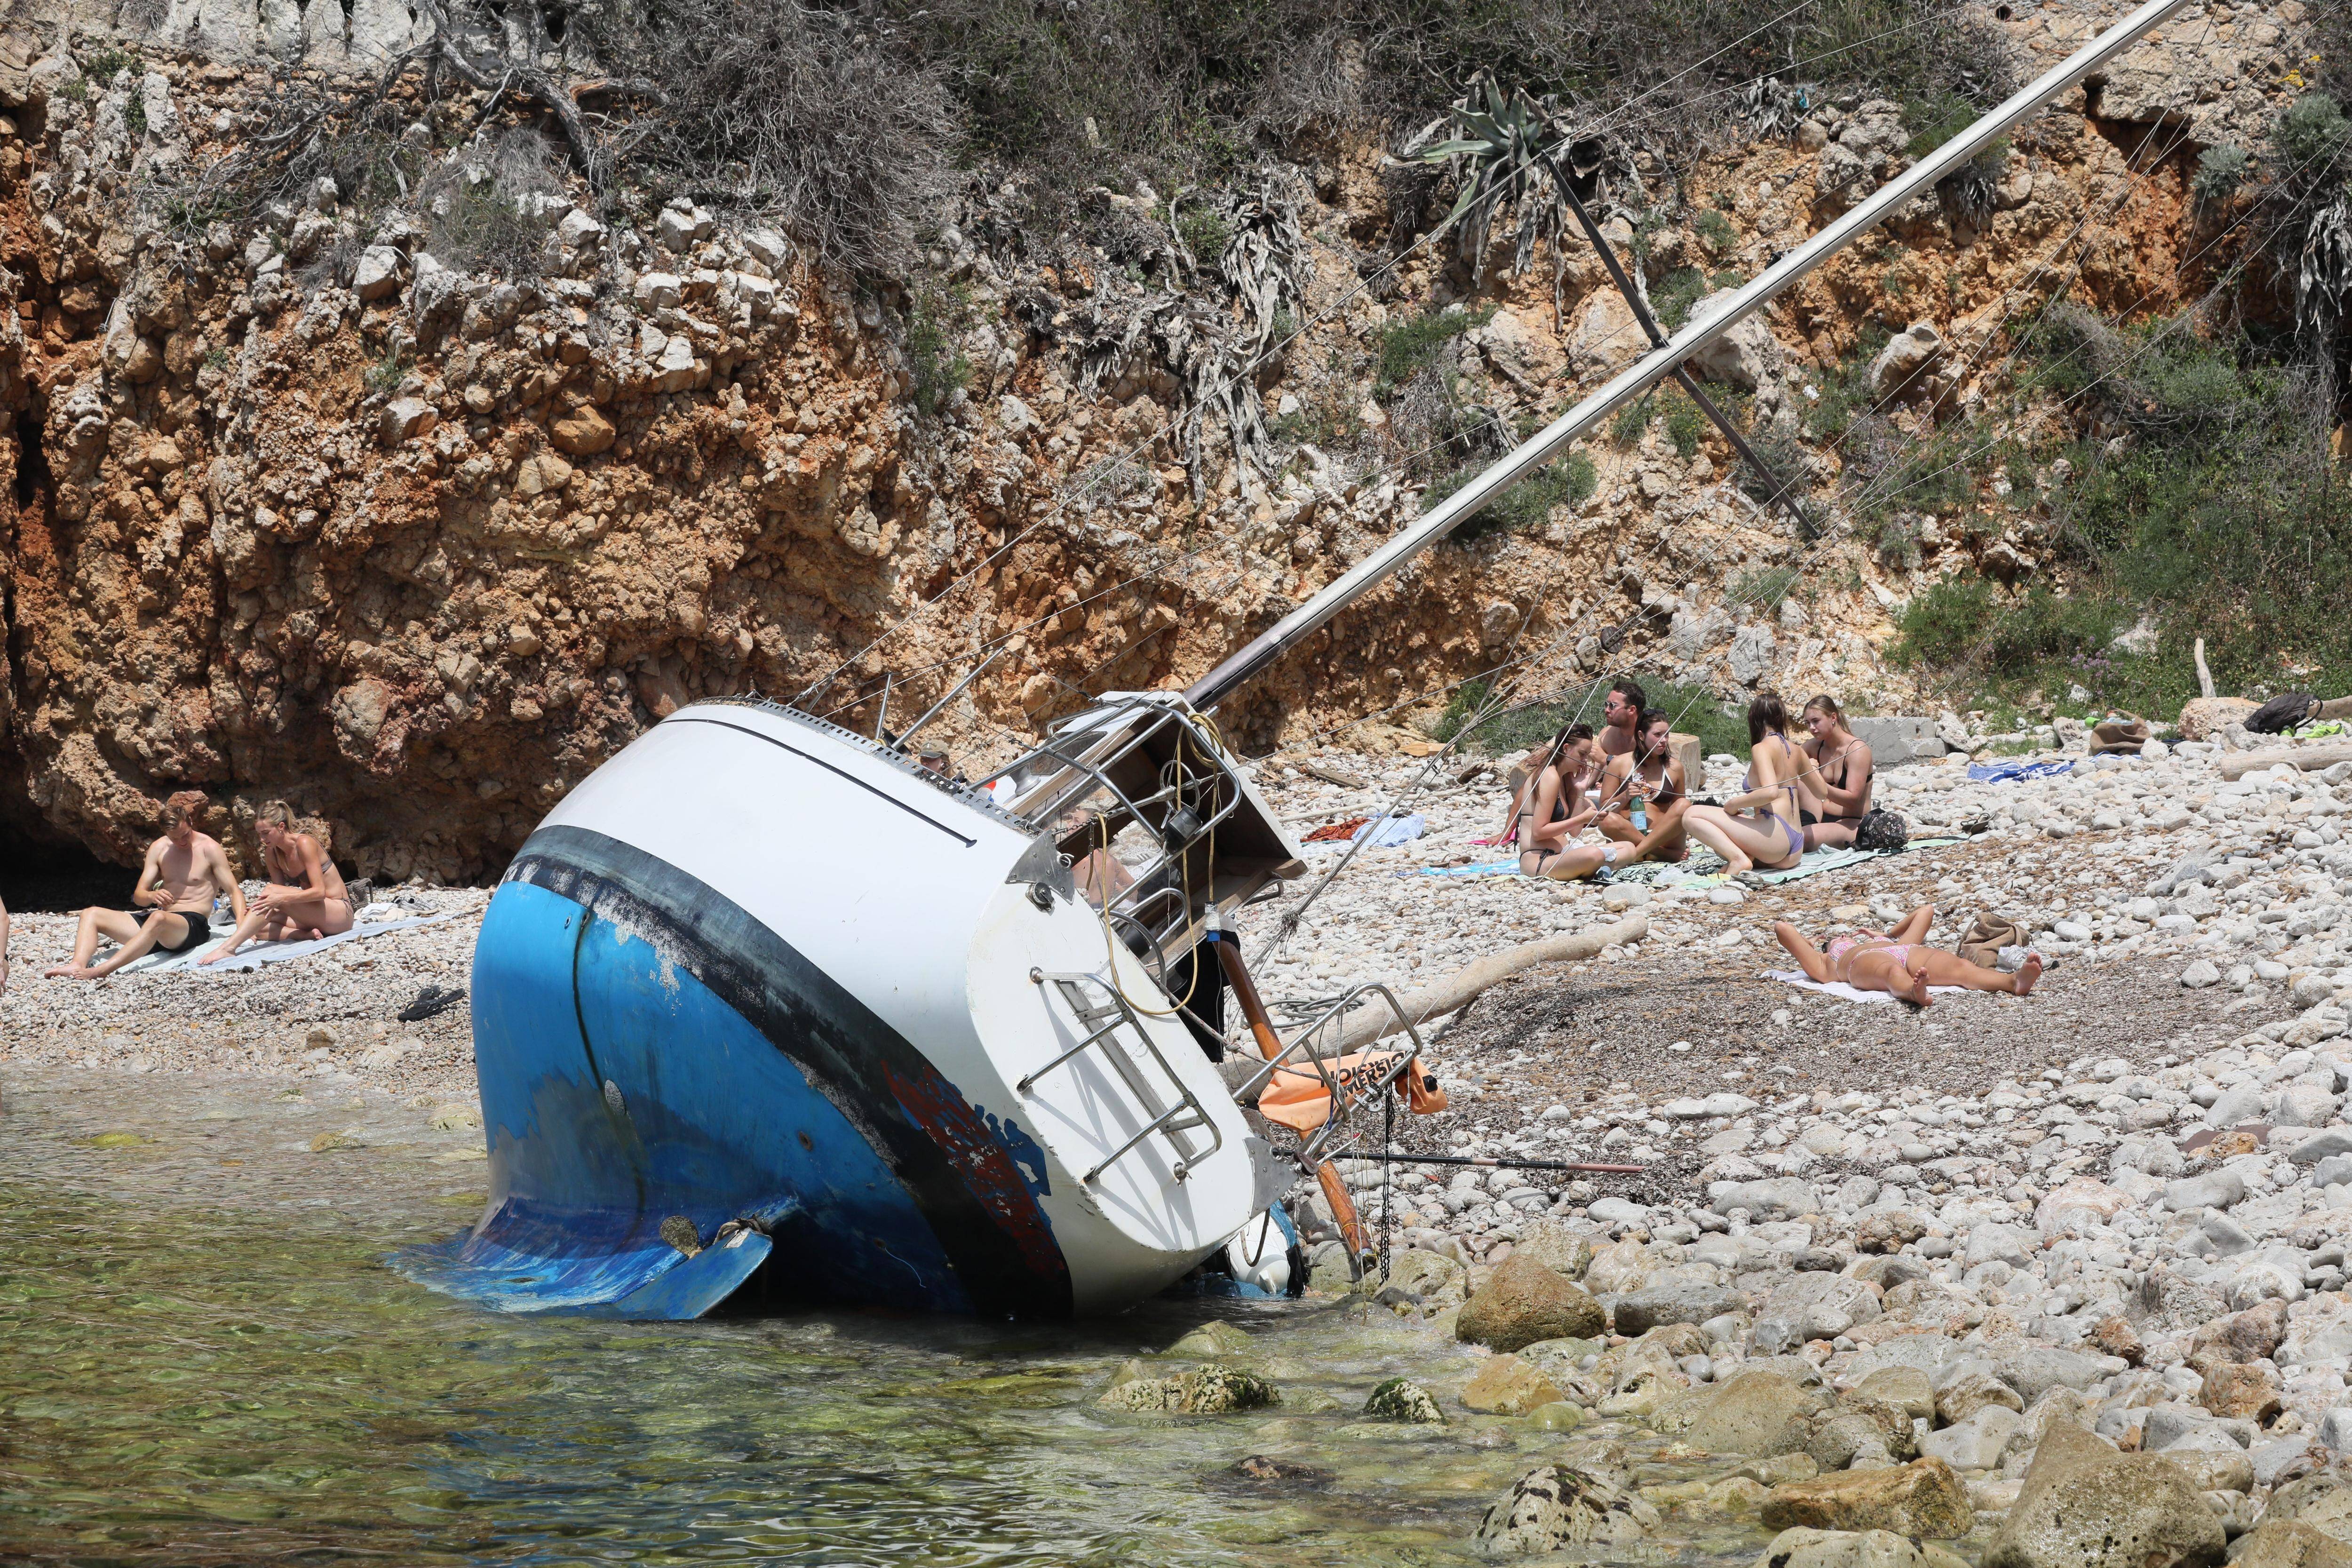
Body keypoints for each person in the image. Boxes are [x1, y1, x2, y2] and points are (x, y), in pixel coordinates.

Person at [46, 792, 246, 979]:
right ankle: (77, 964)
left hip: (192, 926)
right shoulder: (159, 848)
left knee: (158, 918)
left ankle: (102, 970)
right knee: (91, 914)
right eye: (175, 838)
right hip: (160, 926)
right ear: (165, 833)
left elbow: (233, 891)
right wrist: (152, 896)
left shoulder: (209, 848)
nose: (182, 842)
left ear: (190, 823)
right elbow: (139, 897)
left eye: (185, 835)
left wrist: (242, 927)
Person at [1774, 904, 2042, 1004]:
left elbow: (1926, 911)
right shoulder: (1826, 964)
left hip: (1904, 950)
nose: (1844, 937)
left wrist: (1887, 935)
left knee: (1961, 968)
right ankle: (1913, 992)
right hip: (1862, 963)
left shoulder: (1890, 942)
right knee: (1891, 972)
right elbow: (1782, 929)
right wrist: (1811, 944)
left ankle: (2012, 982)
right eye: (1837, 939)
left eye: (1846, 935)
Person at [199, 803, 354, 964]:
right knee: (256, 926)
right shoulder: (272, 853)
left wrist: (278, 900)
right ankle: (302, 935)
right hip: (316, 914)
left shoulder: (304, 844)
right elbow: (277, 899)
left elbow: (319, 892)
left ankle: (228, 948)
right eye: (259, 834)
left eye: (266, 833)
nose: (262, 839)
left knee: (269, 894)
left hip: (340, 914)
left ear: (281, 827)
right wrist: (263, 908)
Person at [1682, 692, 1808, 878]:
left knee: (1691, 815)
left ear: (1753, 719)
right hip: (1794, 851)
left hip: (1776, 841)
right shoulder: (1797, 750)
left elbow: (1770, 792)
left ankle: (1739, 860)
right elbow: (1821, 791)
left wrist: (1733, 805)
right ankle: (1743, 858)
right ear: (1782, 716)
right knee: (1723, 839)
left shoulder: (1762, 748)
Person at [1596, 708, 1691, 863]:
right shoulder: (1619, 763)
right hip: (1629, 836)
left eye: (1666, 735)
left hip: (1664, 838)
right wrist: (1626, 796)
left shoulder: (1674, 767)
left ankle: (1638, 854)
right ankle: (1657, 853)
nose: (1664, 740)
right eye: (1657, 735)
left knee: (1684, 804)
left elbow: (1680, 812)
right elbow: (1604, 810)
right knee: (1607, 820)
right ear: (1641, 736)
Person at [1480, 723, 1596, 847]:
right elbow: (1522, 797)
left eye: (1587, 755)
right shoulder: (1549, 776)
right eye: (1582, 754)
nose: (1585, 760)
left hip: (1557, 849)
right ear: (1566, 749)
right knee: (1598, 854)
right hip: (1540, 853)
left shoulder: (1568, 778)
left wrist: (1581, 790)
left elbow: (1575, 832)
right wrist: (1507, 832)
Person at [1798, 694, 1876, 849]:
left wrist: (1814, 777)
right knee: (1795, 783)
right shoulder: (1815, 746)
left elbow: (1852, 799)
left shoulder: (1857, 750)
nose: (1811, 728)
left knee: (1797, 840)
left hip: (1851, 822)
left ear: (1833, 718)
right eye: (1808, 723)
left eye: (1816, 721)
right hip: (1820, 814)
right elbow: (1787, 763)